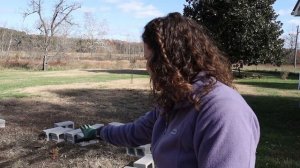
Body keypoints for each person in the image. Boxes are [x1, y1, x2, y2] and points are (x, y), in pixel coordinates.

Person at [80, 12, 260, 168]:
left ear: (170, 61)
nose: (148, 68)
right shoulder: (175, 101)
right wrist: (100, 132)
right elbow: (134, 132)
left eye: (150, 59)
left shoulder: (223, 113)